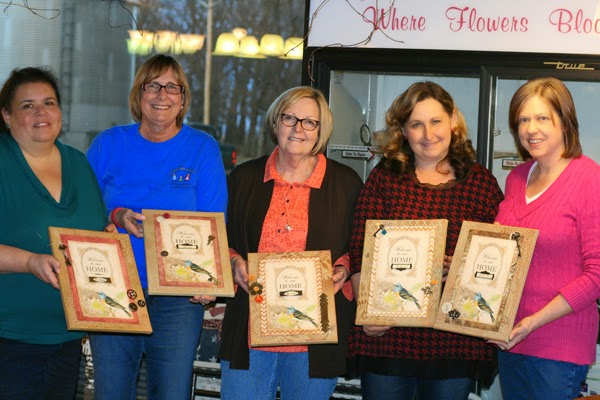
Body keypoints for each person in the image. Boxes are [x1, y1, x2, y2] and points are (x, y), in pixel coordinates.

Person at [348, 81, 504, 400]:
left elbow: (500, 259)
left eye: (436, 121)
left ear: (452, 122)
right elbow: (359, 250)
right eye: (416, 124)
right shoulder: (384, 178)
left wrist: (463, 267)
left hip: (454, 339)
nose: (428, 134)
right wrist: (368, 314)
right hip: (389, 338)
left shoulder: (480, 183)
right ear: (403, 131)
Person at [86, 54, 227, 400]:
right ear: (139, 94)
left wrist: (209, 281)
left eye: (172, 87)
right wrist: (115, 215)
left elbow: (214, 222)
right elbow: (82, 209)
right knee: (111, 393)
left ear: (183, 98)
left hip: (178, 298)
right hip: (114, 288)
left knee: (171, 394)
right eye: (153, 86)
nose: (162, 94)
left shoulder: (203, 149)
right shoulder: (108, 144)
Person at [218, 86, 363, 400]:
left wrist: (343, 267)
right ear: (275, 122)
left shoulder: (346, 182)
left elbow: (361, 246)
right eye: (289, 118)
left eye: (309, 122)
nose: (298, 129)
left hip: (314, 339)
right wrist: (233, 260)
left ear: (321, 131)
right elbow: (220, 238)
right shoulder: (244, 177)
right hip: (249, 332)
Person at [0, 67, 108, 399]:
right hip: (10, 337)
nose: (41, 112)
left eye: (49, 103)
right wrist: (29, 261)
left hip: (67, 336)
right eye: (27, 105)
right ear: (6, 116)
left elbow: (95, 232)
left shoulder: (78, 163)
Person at [491, 77, 600, 399]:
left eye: (542, 118)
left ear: (564, 122)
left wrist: (534, 321)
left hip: (558, 347)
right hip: (510, 338)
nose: (531, 129)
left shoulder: (589, 179)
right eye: (523, 120)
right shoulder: (516, 178)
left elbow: (596, 274)